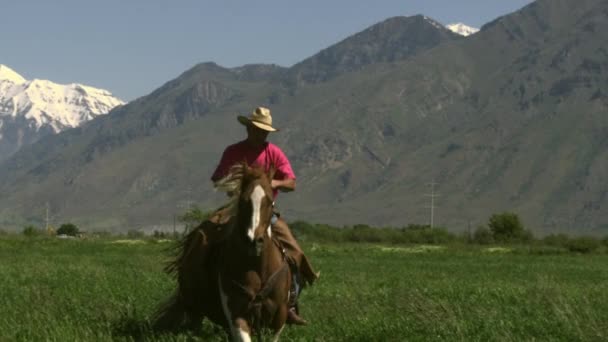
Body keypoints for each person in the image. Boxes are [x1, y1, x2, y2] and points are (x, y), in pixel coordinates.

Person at [209, 106, 318, 325]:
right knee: (207, 242)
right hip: (236, 209)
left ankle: (290, 302)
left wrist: (271, 183)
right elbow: (217, 178)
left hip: (267, 211)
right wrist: (234, 184)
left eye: (264, 130)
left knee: (295, 252)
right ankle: (204, 293)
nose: (261, 133)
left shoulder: (274, 153)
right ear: (248, 128)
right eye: (257, 129)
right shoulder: (233, 151)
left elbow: (291, 182)